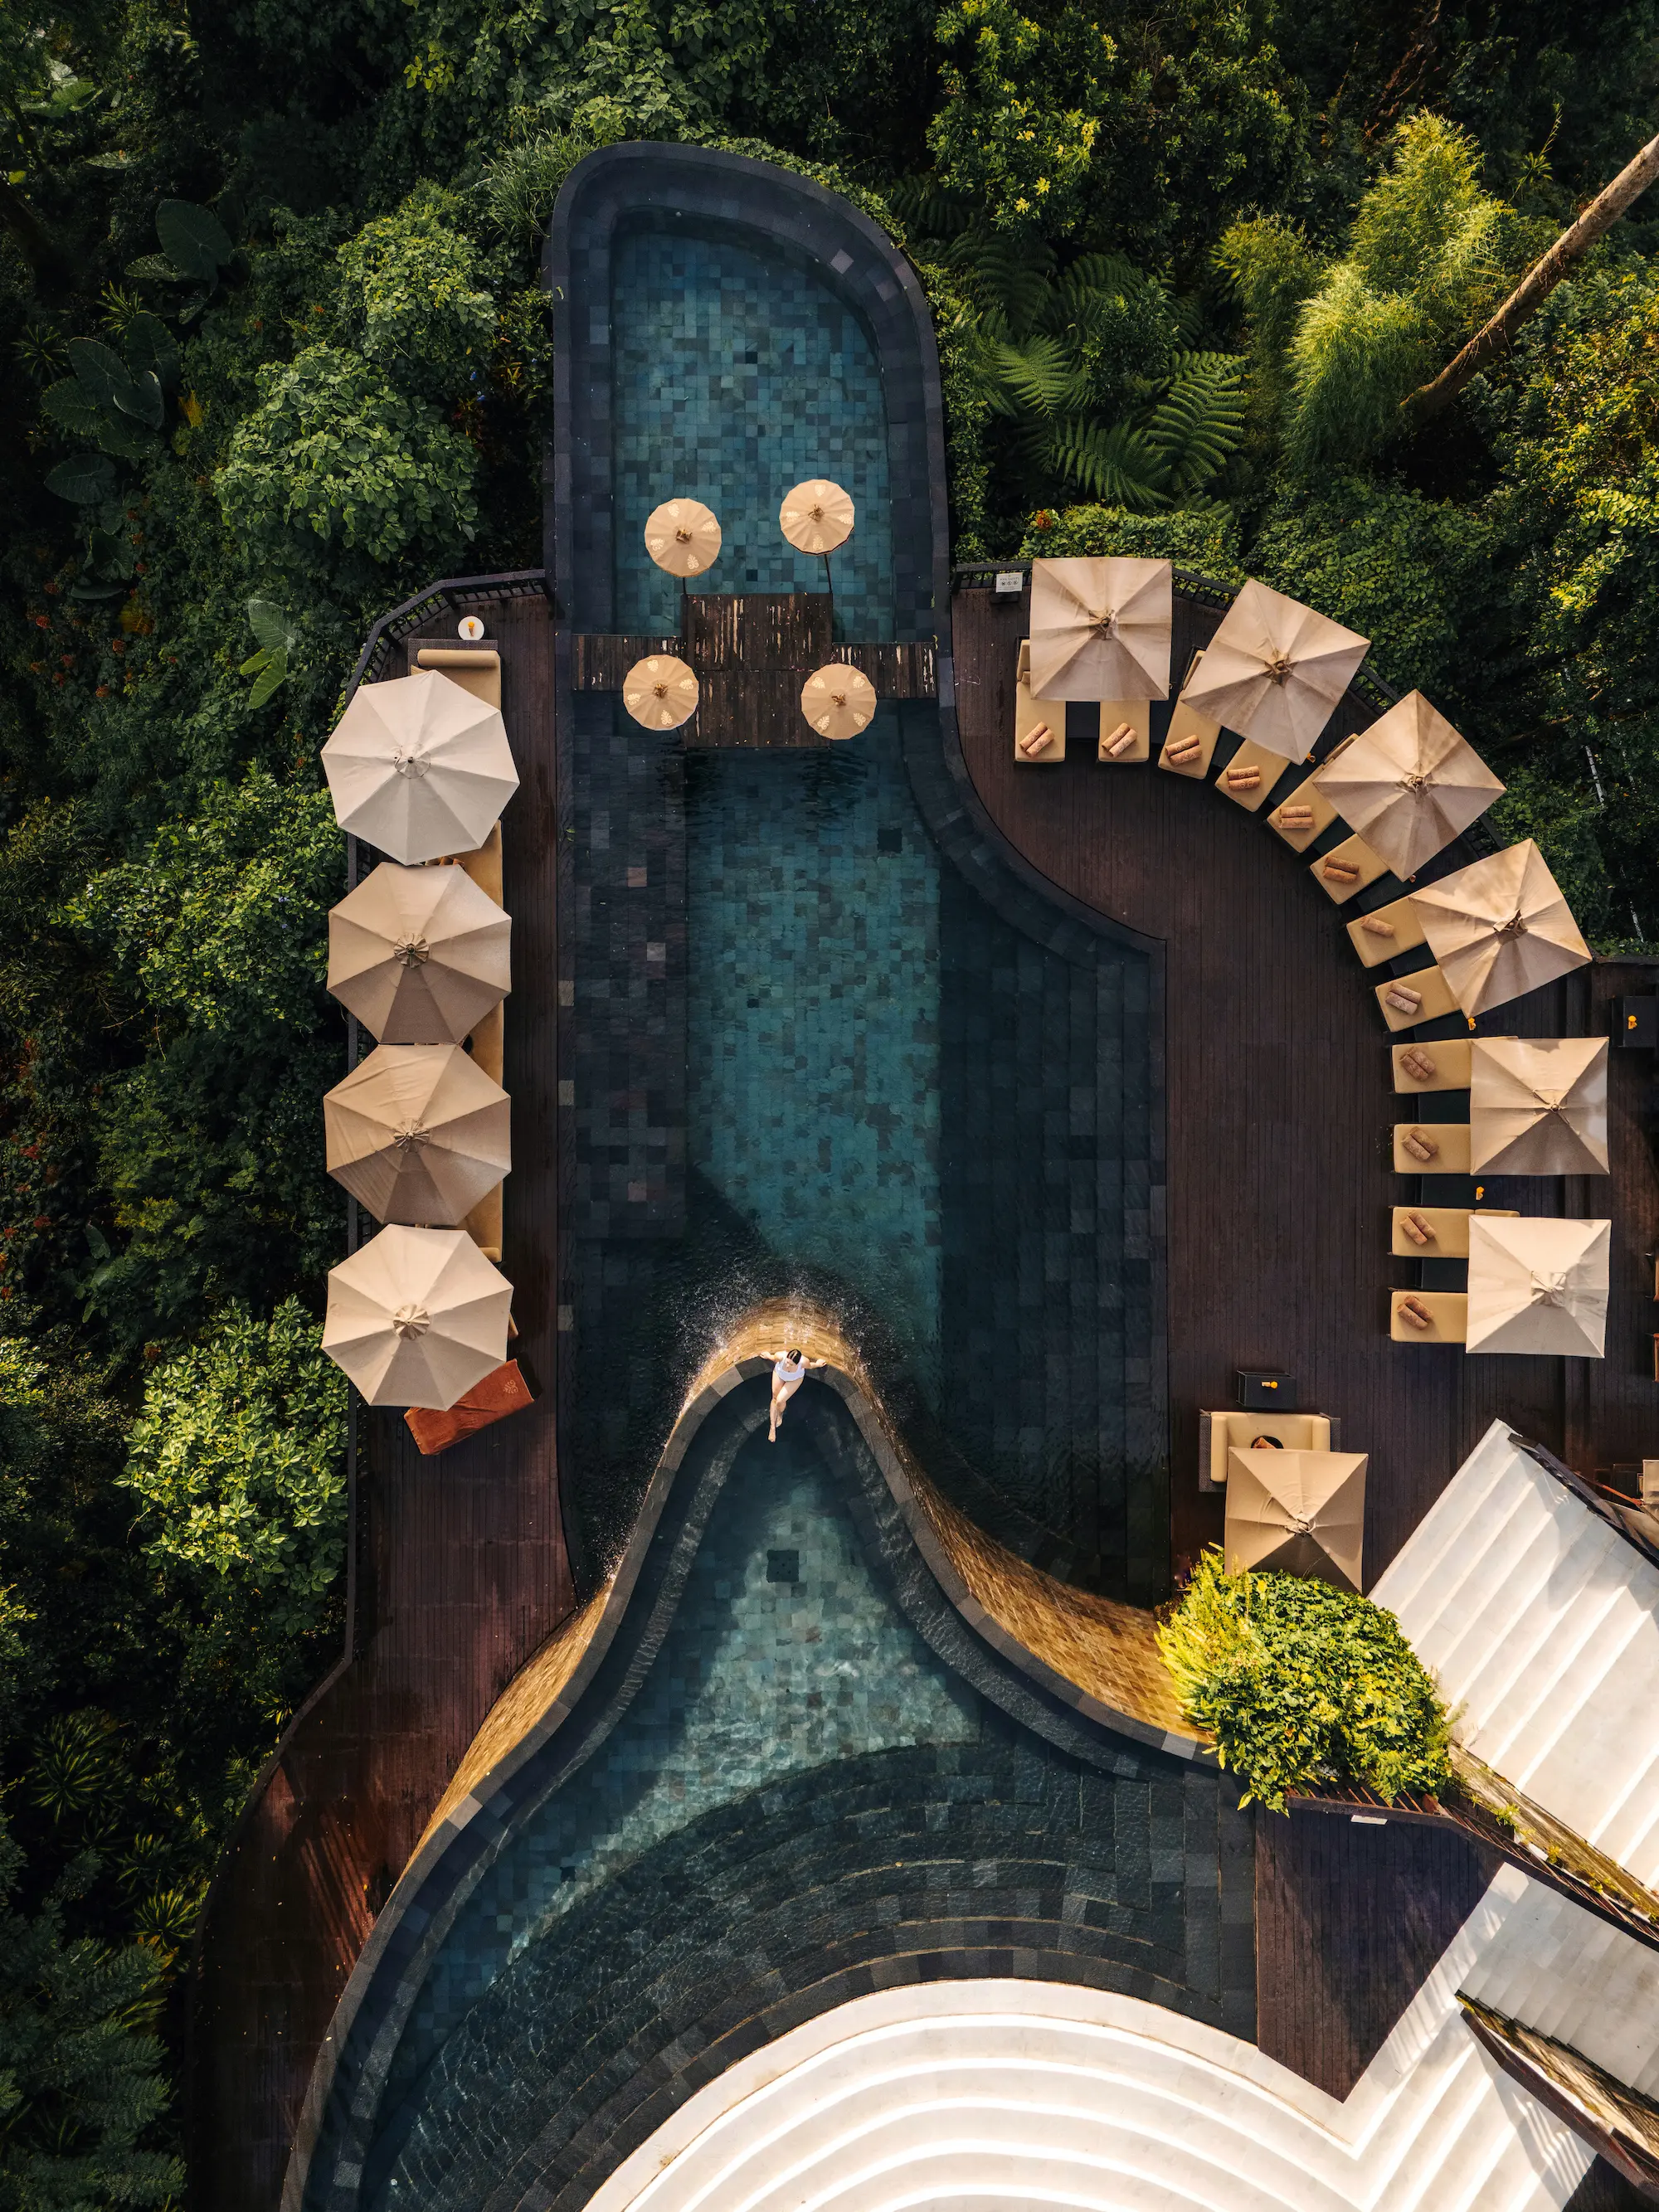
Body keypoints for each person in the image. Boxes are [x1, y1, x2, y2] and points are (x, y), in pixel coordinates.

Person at [768, 1345, 825, 1441]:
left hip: (794, 1379)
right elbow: (773, 1358)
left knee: (780, 1400)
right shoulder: (781, 1356)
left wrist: (818, 1364)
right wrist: (767, 1355)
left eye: (791, 1364)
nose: (788, 1366)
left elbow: (810, 1366)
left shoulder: (803, 1362)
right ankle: (772, 1428)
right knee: (774, 1398)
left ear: (798, 1363)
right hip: (780, 1374)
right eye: (787, 1362)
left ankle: (780, 1414)